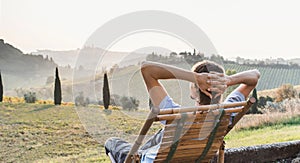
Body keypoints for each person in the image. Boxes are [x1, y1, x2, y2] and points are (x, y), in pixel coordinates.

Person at [105, 60, 260, 163]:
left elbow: (147, 69)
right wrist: (229, 80)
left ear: (195, 88)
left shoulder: (176, 115)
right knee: (160, 135)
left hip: (150, 160)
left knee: (112, 143)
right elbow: (255, 76)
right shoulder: (227, 113)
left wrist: (195, 78)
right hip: (191, 157)